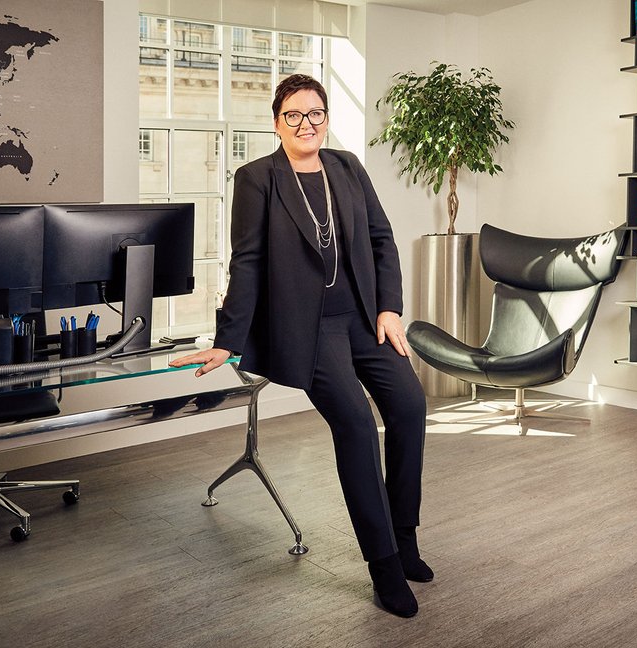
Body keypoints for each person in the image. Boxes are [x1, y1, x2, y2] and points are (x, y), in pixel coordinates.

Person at [170, 74, 430, 618]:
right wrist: (227, 341)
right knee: (356, 426)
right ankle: (384, 566)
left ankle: (404, 541)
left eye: (315, 113)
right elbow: (247, 262)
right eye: (294, 115)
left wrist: (389, 308)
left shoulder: (348, 167)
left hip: (366, 319)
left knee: (410, 406)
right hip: (311, 331)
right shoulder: (257, 178)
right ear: (277, 123)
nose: (306, 123)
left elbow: (381, 238)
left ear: (326, 119)